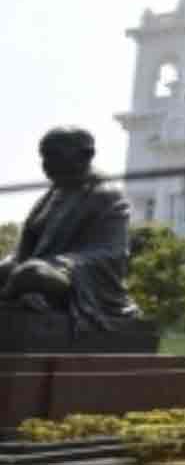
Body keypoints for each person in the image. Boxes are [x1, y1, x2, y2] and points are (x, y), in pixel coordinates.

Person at [0, 127, 139, 331]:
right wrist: (9, 265)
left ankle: (8, 298)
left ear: (86, 155)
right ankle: (18, 295)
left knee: (31, 273)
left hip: (81, 277)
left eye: (55, 156)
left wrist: (57, 264)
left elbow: (113, 254)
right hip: (42, 271)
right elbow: (23, 251)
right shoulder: (51, 196)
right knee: (10, 269)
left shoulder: (105, 195)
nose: (46, 165)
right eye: (44, 157)